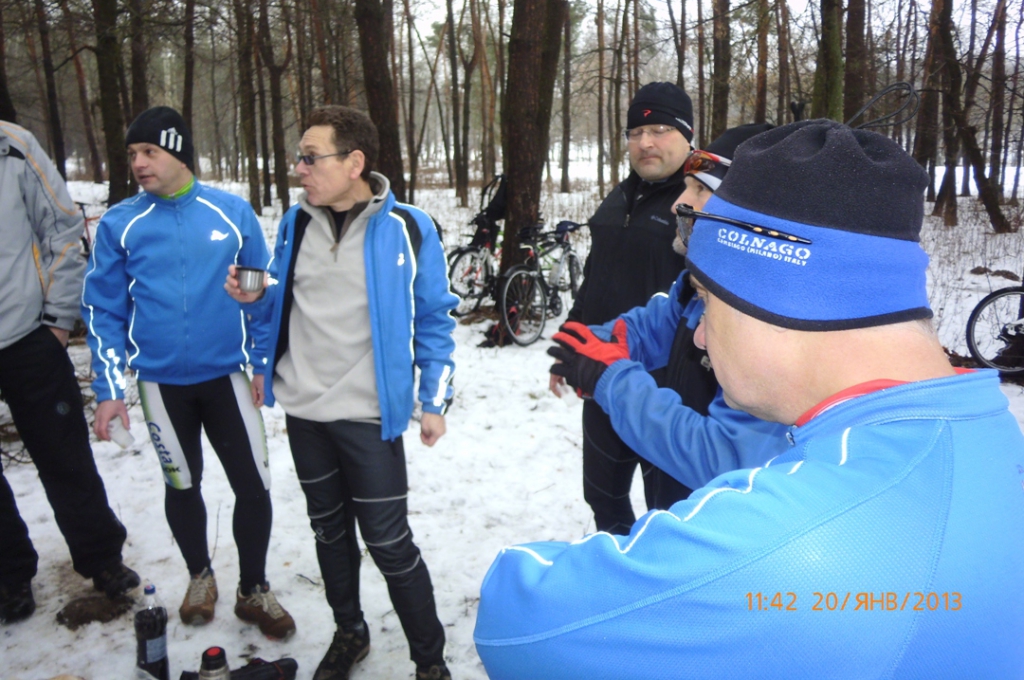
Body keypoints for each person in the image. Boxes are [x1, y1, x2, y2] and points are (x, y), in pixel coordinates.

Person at [474, 119, 1024, 677]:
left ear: (776, 299)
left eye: (709, 301)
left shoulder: (773, 541)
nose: (699, 336)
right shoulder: (996, 440)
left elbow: (514, 621)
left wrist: (614, 381)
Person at [226, 105, 457, 680]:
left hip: (368, 415)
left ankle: (430, 662)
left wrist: (434, 400)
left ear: (354, 162)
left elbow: (435, 316)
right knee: (329, 532)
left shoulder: (408, 227)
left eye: (311, 158)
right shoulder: (294, 223)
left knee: (389, 543)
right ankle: (349, 632)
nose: (299, 168)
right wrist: (257, 305)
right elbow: (283, 297)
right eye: (299, 157)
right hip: (305, 411)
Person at [82, 106, 295, 639]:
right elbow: (103, 311)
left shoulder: (231, 213)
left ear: (179, 153)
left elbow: (262, 293)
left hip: (227, 378)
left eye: (149, 152)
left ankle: (253, 588)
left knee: (254, 485)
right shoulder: (121, 224)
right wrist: (108, 389)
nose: (138, 163)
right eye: (132, 154)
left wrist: (262, 363)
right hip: (160, 384)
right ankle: (200, 576)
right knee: (182, 484)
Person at [552, 124, 791, 492]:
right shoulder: (698, 287)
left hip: (719, 519)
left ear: (748, 210)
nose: (678, 203)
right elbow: (648, 329)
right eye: (686, 186)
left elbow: (724, 460)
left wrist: (612, 379)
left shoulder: (773, 320)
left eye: (701, 189)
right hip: (675, 502)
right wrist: (593, 344)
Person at [0, 120, 138, 624]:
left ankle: (101, 557)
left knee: (64, 454)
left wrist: (58, 321)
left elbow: (61, 228)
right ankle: (9, 573)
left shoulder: (13, 148)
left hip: (27, 334)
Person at [552, 81, 696, 535]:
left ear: (688, 135)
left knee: (669, 514)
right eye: (635, 132)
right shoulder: (620, 197)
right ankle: (618, 571)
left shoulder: (698, 203)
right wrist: (572, 342)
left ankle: (666, 579)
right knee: (603, 497)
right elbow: (596, 277)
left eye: (659, 130)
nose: (645, 142)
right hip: (603, 374)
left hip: (668, 389)